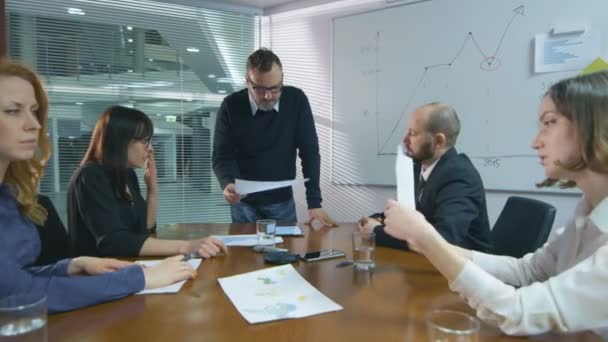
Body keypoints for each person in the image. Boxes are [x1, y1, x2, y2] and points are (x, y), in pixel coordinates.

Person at [382, 71, 608, 338]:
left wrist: (425, 238)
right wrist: (431, 242)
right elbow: (529, 271)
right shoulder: (587, 211)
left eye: (549, 123)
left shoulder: (455, 172)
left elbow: (518, 313)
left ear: (594, 127)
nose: (536, 142)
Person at [0, 59, 196, 313]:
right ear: (120, 141)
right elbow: (19, 294)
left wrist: (71, 265)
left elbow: (13, 279)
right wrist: (143, 278)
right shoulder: (90, 176)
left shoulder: (10, 196)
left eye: (34, 111)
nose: (34, 124)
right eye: (13, 111)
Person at [67, 106, 227, 258]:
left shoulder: (127, 174)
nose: (150, 148)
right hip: (96, 275)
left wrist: (152, 190)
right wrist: (185, 246)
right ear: (121, 141)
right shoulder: (89, 176)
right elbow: (112, 242)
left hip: (124, 265)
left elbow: (144, 232)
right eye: (144, 141)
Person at [212, 48, 335, 226]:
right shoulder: (231, 106)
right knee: (244, 254)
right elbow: (221, 155)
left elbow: (309, 151)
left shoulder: (296, 100)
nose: (268, 96)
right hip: (243, 204)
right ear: (247, 81)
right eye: (260, 89)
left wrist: (314, 202)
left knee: (285, 252)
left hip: (281, 202)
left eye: (275, 88)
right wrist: (227, 182)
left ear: (282, 79)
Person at [359, 102, 492, 252]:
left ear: (439, 141)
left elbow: (443, 239)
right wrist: (379, 219)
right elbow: (410, 216)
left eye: (413, 134)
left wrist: (376, 232)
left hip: (462, 270)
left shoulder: (460, 176)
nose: (404, 140)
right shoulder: (419, 165)